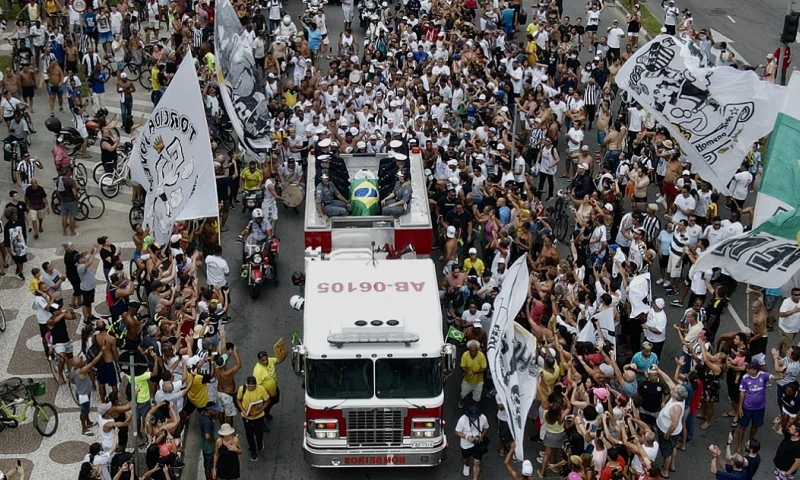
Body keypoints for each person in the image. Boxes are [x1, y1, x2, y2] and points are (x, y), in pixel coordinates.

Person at [235, 376, 269, 462]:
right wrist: (243, 410)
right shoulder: (242, 389)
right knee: (249, 434)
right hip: (247, 416)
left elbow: (267, 401)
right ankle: (253, 451)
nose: (251, 388)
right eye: (249, 387)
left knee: (259, 433)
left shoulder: (261, 389)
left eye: (253, 386)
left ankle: (260, 442)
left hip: (258, 416)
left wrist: (260, 410)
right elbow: (238, 400)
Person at [455, 405, 489, 479]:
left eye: (475, 416)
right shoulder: (462, 420)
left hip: (478, 443)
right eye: (471, 416)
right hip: (466, 444)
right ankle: (466, 465)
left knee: (477, 462)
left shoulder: (483, 418)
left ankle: (475, 478)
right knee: (466, 458)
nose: (473, 418)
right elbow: (457, 432)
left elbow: (486, 428)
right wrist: (467, 437)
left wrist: (481, 437)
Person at [459, 340, 487, 409]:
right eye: (471, 351)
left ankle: (475, 407)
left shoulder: (481, 356)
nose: (473, 352)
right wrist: (468, 371)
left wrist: (475, 373)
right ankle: (462, 401)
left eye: (475, 350)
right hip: (467, 380)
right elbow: (462, 366)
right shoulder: (465, 355)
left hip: (478, 381)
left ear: (478, 349)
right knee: (463, 394)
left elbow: (484, 368)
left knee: (477, 397)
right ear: (469, 350)